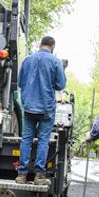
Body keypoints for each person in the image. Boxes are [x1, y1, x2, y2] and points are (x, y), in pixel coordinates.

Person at [15, 36, 68, 187]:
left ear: (40, 45)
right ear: (53, 46)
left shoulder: (27, 60)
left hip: (29, 106)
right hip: (46, 107)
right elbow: (60, 85)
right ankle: (39, 175)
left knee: (26, 140)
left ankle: (22, 175)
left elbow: (20, 83)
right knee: (43, 141)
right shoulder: (55, 61)